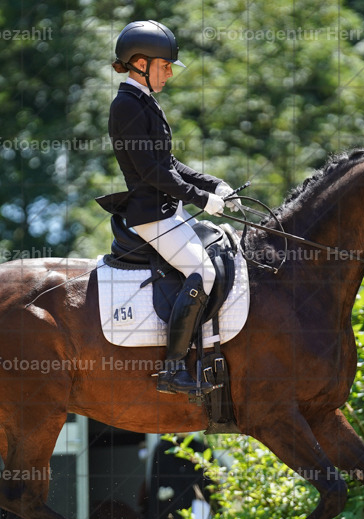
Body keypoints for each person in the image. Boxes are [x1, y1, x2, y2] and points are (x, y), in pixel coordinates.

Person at [106, 20, 239, 396]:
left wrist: (213, 184)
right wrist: (202, 200)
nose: (168, 73)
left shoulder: (145, 102)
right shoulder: (126, 106)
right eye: (164, 65)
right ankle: (173, 368)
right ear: (140, 64)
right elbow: (151, 171)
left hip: (168, 210)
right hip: (152, 215)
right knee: (203, 271)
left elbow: (171, 163)